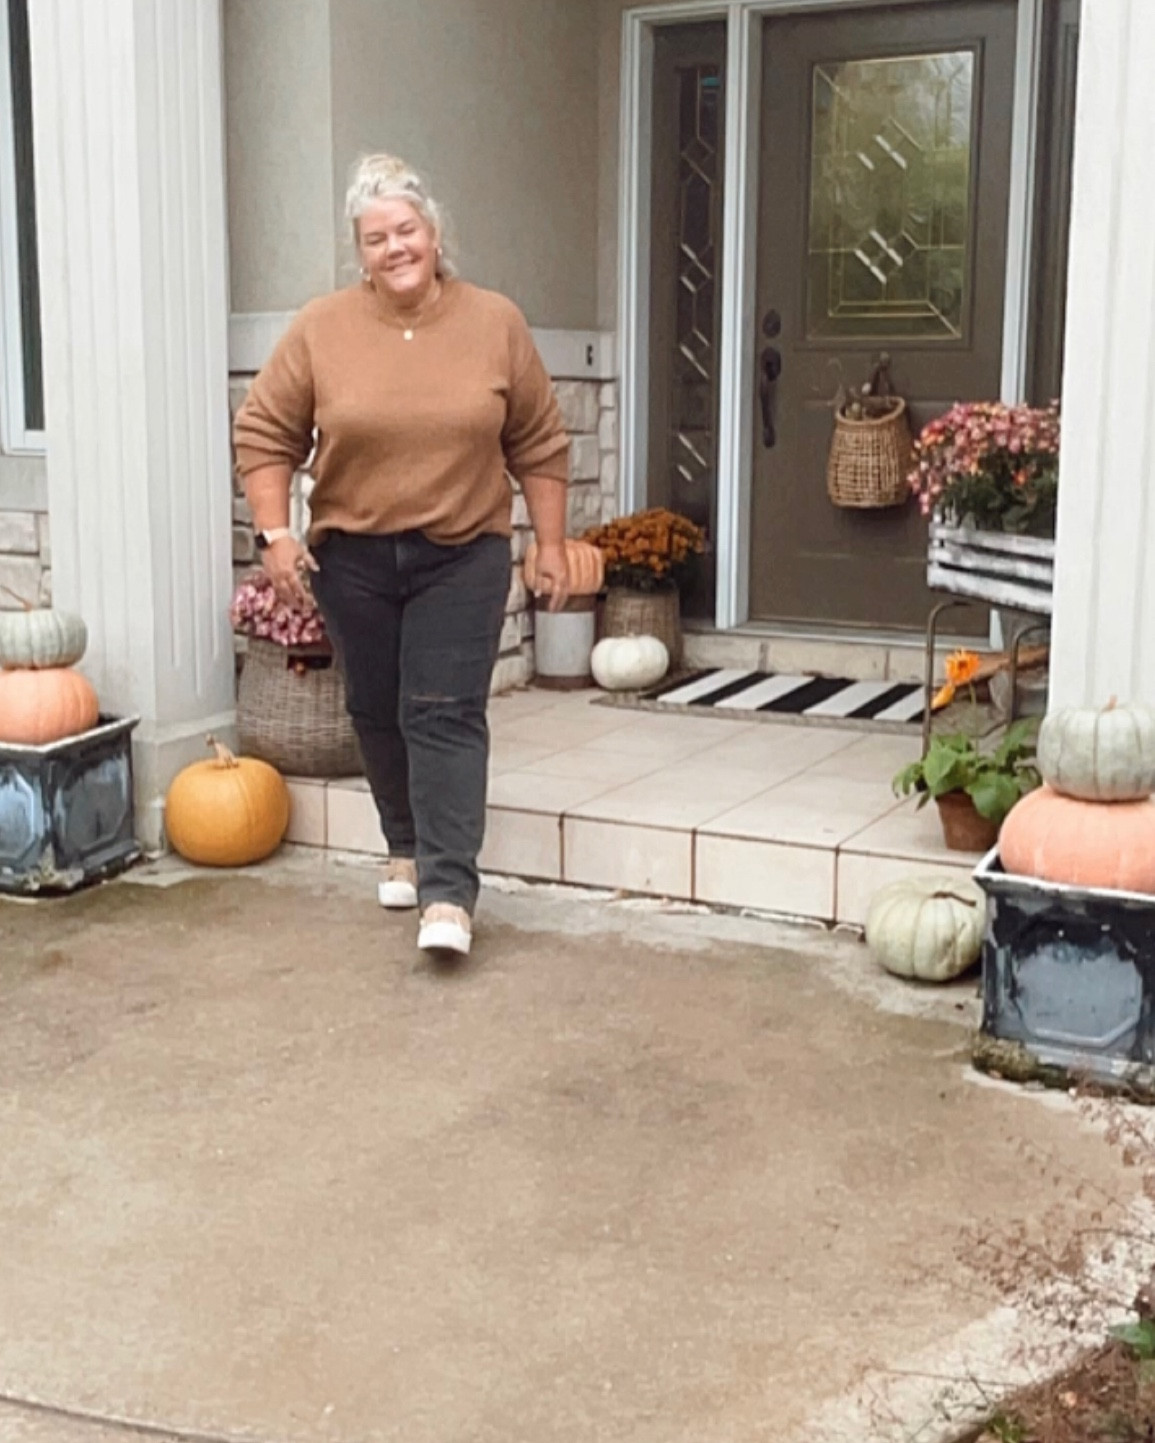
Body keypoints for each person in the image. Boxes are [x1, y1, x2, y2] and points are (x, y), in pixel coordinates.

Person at [233, 153, 571, 959]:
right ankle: (405, 844)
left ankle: (449, 893)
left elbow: (540, 441)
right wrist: (277, 533)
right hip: (352, 555)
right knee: (377, 710)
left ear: (434, 232)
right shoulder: (322, 326)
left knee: (445, 711)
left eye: (406, 229)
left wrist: (552, 544)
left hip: (464, 552)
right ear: (361, 252)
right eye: (376, 236)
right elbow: (265, 433)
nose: (395, 247)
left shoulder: (494, 322)